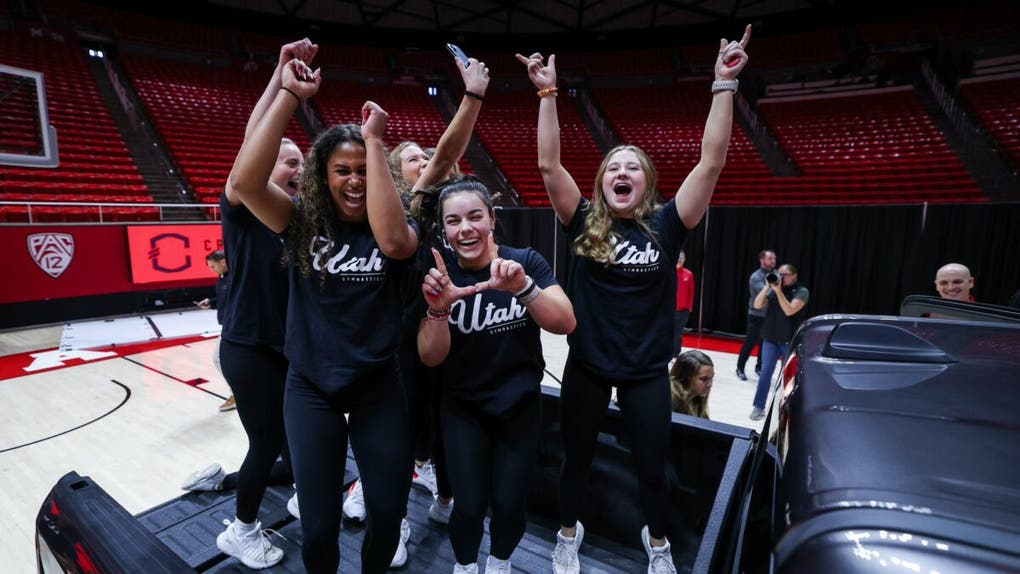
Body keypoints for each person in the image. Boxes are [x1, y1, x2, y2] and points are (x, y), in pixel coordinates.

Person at [519, 24, 751, 574]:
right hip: (589, 367)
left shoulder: (669, 224)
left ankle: (660, 545)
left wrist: (723, 85)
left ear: (646, 181)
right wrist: (548, 95)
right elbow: (550, 167)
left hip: (647, 371)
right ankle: (568, 535)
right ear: (601, 182)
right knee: (576, 460)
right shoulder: (582, 221)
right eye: (613, 167)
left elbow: (711, 162)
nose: (622, 173)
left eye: (632, 167)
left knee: (652, 468)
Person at [229, 51, 420, 574]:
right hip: (310, 385)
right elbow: (245, 184)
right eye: (342, 170)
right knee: (318, 531)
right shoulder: (298, 220)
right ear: (322, 175)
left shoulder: (398, 230)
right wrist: (289, 95)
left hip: (378, 384)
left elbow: (394, 241)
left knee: (387, 513)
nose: (354, 180)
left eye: (363, 170)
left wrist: (375, 142)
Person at [335, 53, 490, 568]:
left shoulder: (440, 212)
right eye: (414, 161)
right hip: (394, 338)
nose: (426, 164)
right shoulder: (397, 208)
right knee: (398, 437)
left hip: (439, 328)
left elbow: (448, 160)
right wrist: (471, 96)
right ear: (397, 179)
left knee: (440, 424)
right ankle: (393, 518)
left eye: (427, 159)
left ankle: (442, 496)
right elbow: (446, 155)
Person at [181, 39, 313, 570]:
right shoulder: (241, 203)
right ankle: (241, 529)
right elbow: (251, 149)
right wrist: (283, 86)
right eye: (285, 161)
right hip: (250, 347)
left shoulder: (300, 215)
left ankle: (222, 480)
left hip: (287, 346)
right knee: (270, 442)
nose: (296, 168)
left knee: (295, 439)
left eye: (301, 161)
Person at [417, 177, 576, 574]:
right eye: (453, 221)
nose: (465, 228)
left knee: (509, 506)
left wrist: (524, 289)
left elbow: (566, 321)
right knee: (468, 506)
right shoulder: (439, 273)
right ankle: (466, 566)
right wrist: (438, 309)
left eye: (474, 216)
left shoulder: (525, 261)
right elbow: (430, 358)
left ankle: (500, 563)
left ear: (492, 219)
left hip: (519, 405)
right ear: (443, 228)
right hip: (463, 408)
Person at [749, 264, 808, 421]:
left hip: (789, 340)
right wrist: (768, 286)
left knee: (790, 377)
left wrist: (778, 291)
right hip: (770, 338)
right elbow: (757, 304)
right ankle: (758, 406)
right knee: (765, 373)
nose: (781, 277)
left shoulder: (801, 291)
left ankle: (789, 408)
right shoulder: (775, 289)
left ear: (794, 275)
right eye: (779, 273)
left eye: (785, 274)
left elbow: (789, 310)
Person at [194, 250, 236, 411]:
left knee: (219, 359)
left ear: (223, 262)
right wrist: (211, 303)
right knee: (221, 360)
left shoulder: (235, 278)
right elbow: (223, 301)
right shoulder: (222, 279)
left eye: (213, 266)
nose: (212, 270)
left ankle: (237, 394)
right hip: (226, 326)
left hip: (233, 328)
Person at [735, 249, 775, 381]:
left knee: (765, 343)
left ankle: (759, 367)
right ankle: (740, 368)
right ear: (762, 260)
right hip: (756, 315)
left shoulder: (775, 274)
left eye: (774, 258)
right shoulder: (756, 277)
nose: (773, 261)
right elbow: (768, 294)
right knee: (750, 342)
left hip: (769, 316)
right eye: (770, 258)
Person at [668, 350, 713, 419]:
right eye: (704, 379)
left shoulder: (696, 398)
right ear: (686, 378)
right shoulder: (671, 402)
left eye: (711, 378)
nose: (709, 384)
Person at [674, 250, 694, 355]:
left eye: (682, 257)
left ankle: (676, 354)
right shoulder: (670, 272)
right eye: (678, 257)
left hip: (683, 311)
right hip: (669, 309)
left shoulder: (689, 274)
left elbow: (691, 291)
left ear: (684, 259)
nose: (679, 259)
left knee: (678, 333)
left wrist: (690, 307)